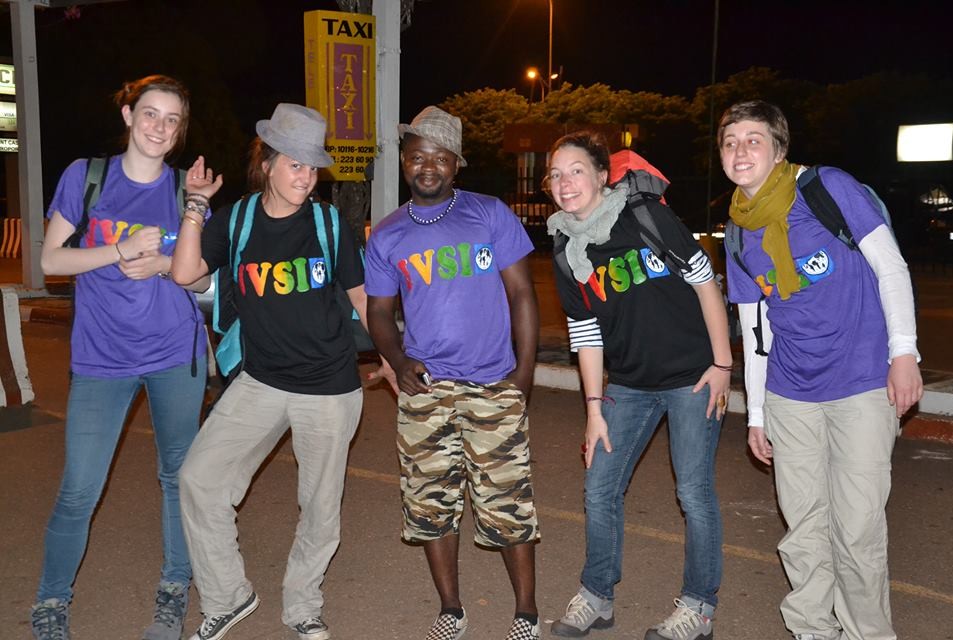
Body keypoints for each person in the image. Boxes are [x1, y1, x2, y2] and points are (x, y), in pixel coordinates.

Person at [171, 103, 390, 640]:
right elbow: (184, 274)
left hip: (331, 388)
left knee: (318, 508)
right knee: (200, 481)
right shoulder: (238, 220)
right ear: (267, 163)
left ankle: (303, 606)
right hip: (260, 381)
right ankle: (229, 596)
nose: (305, 176)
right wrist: (195, 206)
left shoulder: (329, 223)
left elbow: (361, 296)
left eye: (312, 167)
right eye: (294, 164)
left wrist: (392, 353)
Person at [718, 100, 923, 640]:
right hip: (790, 393)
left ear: (779, 149)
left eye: (753, 139)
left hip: (860, 383)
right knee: (803, 529)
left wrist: (904, 354)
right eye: (730, 140)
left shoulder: (827, 188)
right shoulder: (738, 230)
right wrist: (756, 413)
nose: (740, 150)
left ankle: (867, 635)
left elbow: (891, 266)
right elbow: (755, 326)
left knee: (856, 530)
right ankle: (812, 629)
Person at [31, 74, 210, 640]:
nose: (159, 127)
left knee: (179, 478)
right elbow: (52, 263)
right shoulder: (87, 177)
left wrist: (166, 258)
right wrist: (118, 250)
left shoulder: (187, 189)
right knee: (79, 487)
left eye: (172, 119)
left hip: (174, 354)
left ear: (180, 131)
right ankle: (52, 600)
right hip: (101, 357)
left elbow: (204, 275)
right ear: (129, 115)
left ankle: (174, 589)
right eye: (150, 114)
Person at [365, 106, 542, 640]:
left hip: (493, 384)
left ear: (456, 164)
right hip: (427, 392)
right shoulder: (388, 234)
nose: (427, 166)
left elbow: (522, 294)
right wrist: (398, 361)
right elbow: (377, 312)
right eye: (417, 156)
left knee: (508, 504)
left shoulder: (489, 214)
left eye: (440, 158)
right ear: (405, 161)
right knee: (430, 504)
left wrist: (525, 374)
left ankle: (527, 610)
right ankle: (451, 608)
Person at [545, 133, 731, 640]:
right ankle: (598, 595)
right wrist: (593, 409)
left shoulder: (644, 217)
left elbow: (703, 280)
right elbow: (585, 333)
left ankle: (699, 608)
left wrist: (722, 364)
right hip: (628, 383)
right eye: (556, 175)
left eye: (576, 170)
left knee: (694, 492)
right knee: (599, 486)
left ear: (602, 175)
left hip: (693, 377)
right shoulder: (566, 249)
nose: (565, 183)